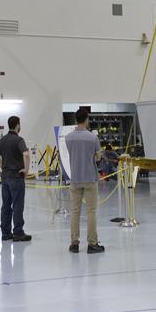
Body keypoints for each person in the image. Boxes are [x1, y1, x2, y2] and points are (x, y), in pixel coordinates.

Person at [64, 107, 104, 254]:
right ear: (86, 120)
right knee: (91, 211)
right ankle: (92, 244)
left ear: (76, 120)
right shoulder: (93, 138)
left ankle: (74, 244)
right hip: (90, 178)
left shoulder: (68, 138)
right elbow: (98, 157)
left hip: (75, 178)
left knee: (75, 211)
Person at [0, 115, 32, 241]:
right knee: (17, 205)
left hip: (5, 177)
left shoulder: (3, 140)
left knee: (6, 205)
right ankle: (18, 233)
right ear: (17, 125)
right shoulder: (19, 140)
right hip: (16, 176)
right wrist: (26, 170)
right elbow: (26, 154)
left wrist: (2, 166)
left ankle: (5, 233)